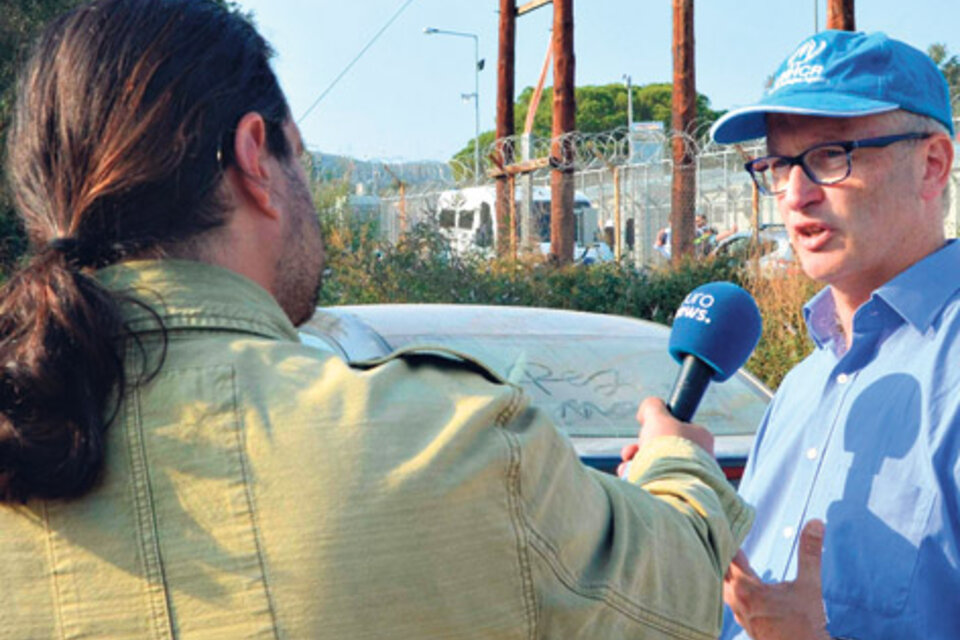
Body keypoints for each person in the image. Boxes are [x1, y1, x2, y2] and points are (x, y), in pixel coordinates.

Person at [0, 1, 752, 637]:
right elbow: (667, 599)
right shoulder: (442, 441)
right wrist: (678, 462)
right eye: (304, 158)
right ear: (256, 156)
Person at [707, 30, 959, 639]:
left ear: (932, 165)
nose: (795, 195)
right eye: (777, 164)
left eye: (829, 156)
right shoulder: (801, 385)